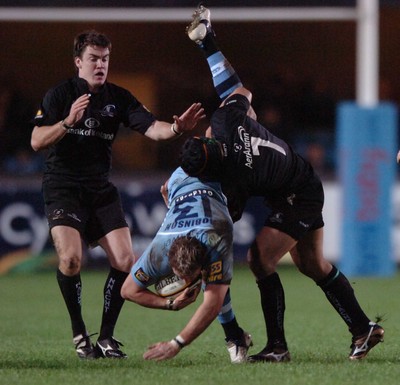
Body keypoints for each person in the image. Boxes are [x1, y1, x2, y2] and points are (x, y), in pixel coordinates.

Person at [183, 5, 384, 362]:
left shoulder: (234, 182)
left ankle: (277, 347)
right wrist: (207, 44)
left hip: (298, 193)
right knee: (311, 264)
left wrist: (201, 272)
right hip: (300, 178)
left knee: (260, 259)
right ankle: (363, 328)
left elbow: (222, 231)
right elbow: (239, 90)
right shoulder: (226, 120)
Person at [30, 30, 205, 359]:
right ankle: (80, 334)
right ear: (78, 61)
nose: (100, 65)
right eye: (94, 59)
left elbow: (153, 128)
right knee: (70, 260)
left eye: (105, 59)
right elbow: (37, 141)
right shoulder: (59, 95)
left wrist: (177, 129)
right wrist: (68, 121)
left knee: (125, 261)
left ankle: (107, 338)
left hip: (100, 189)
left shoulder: (119, 98)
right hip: (63, 186)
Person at [121, 162, 252, 362]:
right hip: (178, 180)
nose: (188, 281)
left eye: (193, 276)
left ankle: (235, 338)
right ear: (169, 263)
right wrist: (169, 303)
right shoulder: (158, 252)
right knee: (216, 283)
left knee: (215, 285)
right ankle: (235, 338)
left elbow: (213, 303)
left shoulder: (216, 238)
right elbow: (127, 291)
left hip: (215, 175)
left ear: (204, 260)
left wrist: (177, 344)